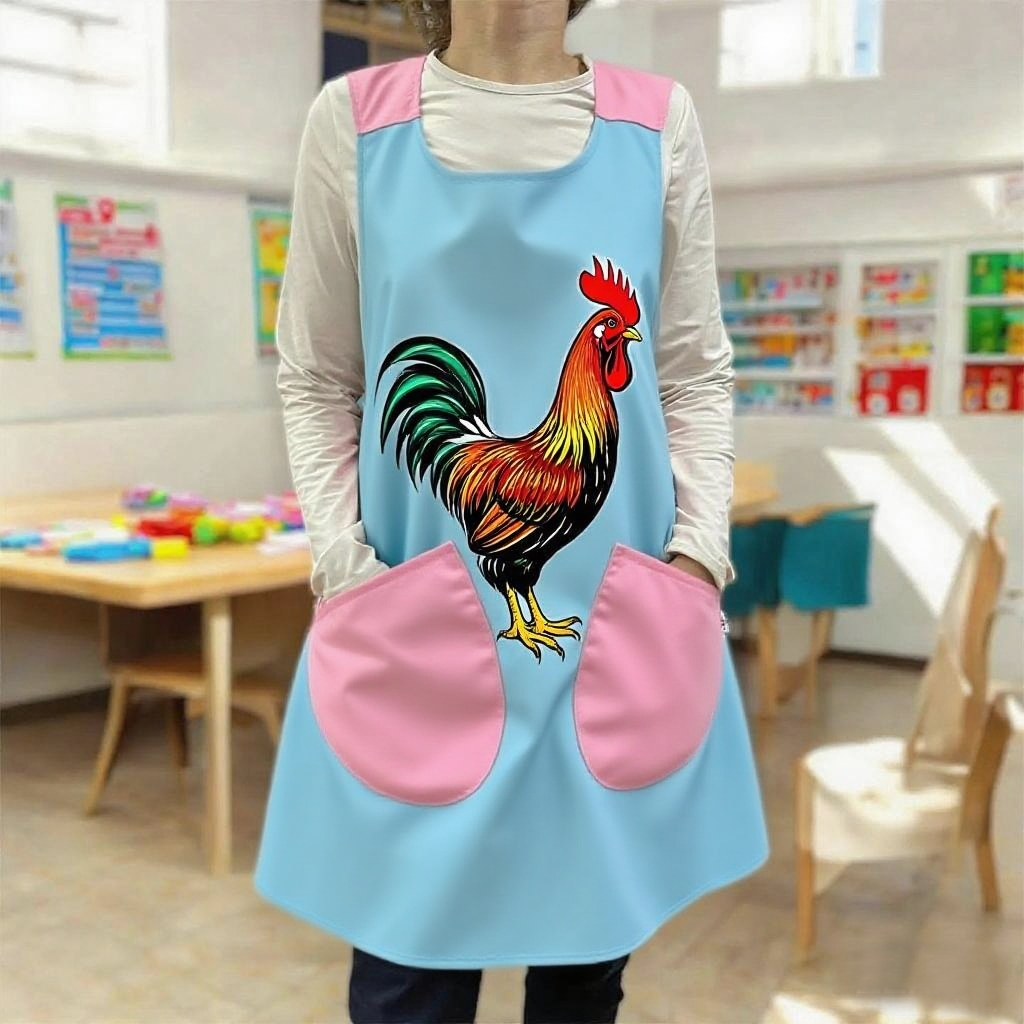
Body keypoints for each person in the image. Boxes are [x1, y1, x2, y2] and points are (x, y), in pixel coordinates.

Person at [255, 1, 768, 1021]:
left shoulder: (656, 120)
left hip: (610, 627)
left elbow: (692, 370)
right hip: (414, 622)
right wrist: (348, 571)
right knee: (406, 980)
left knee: (582, 980)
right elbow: (317, 375)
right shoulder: (353, 121)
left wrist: (696, 560)